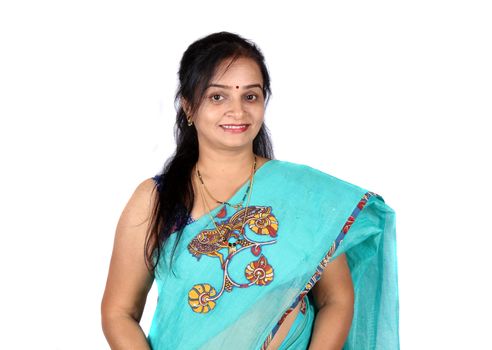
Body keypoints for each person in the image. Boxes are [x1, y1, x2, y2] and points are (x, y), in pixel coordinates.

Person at [101, 31, 399, 350]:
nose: (238, 111)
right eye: (218, 96)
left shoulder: (300, 194)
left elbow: (335, 298)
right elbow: (118, 312)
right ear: (188, 107)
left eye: (250, 96)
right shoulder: (154, 200)